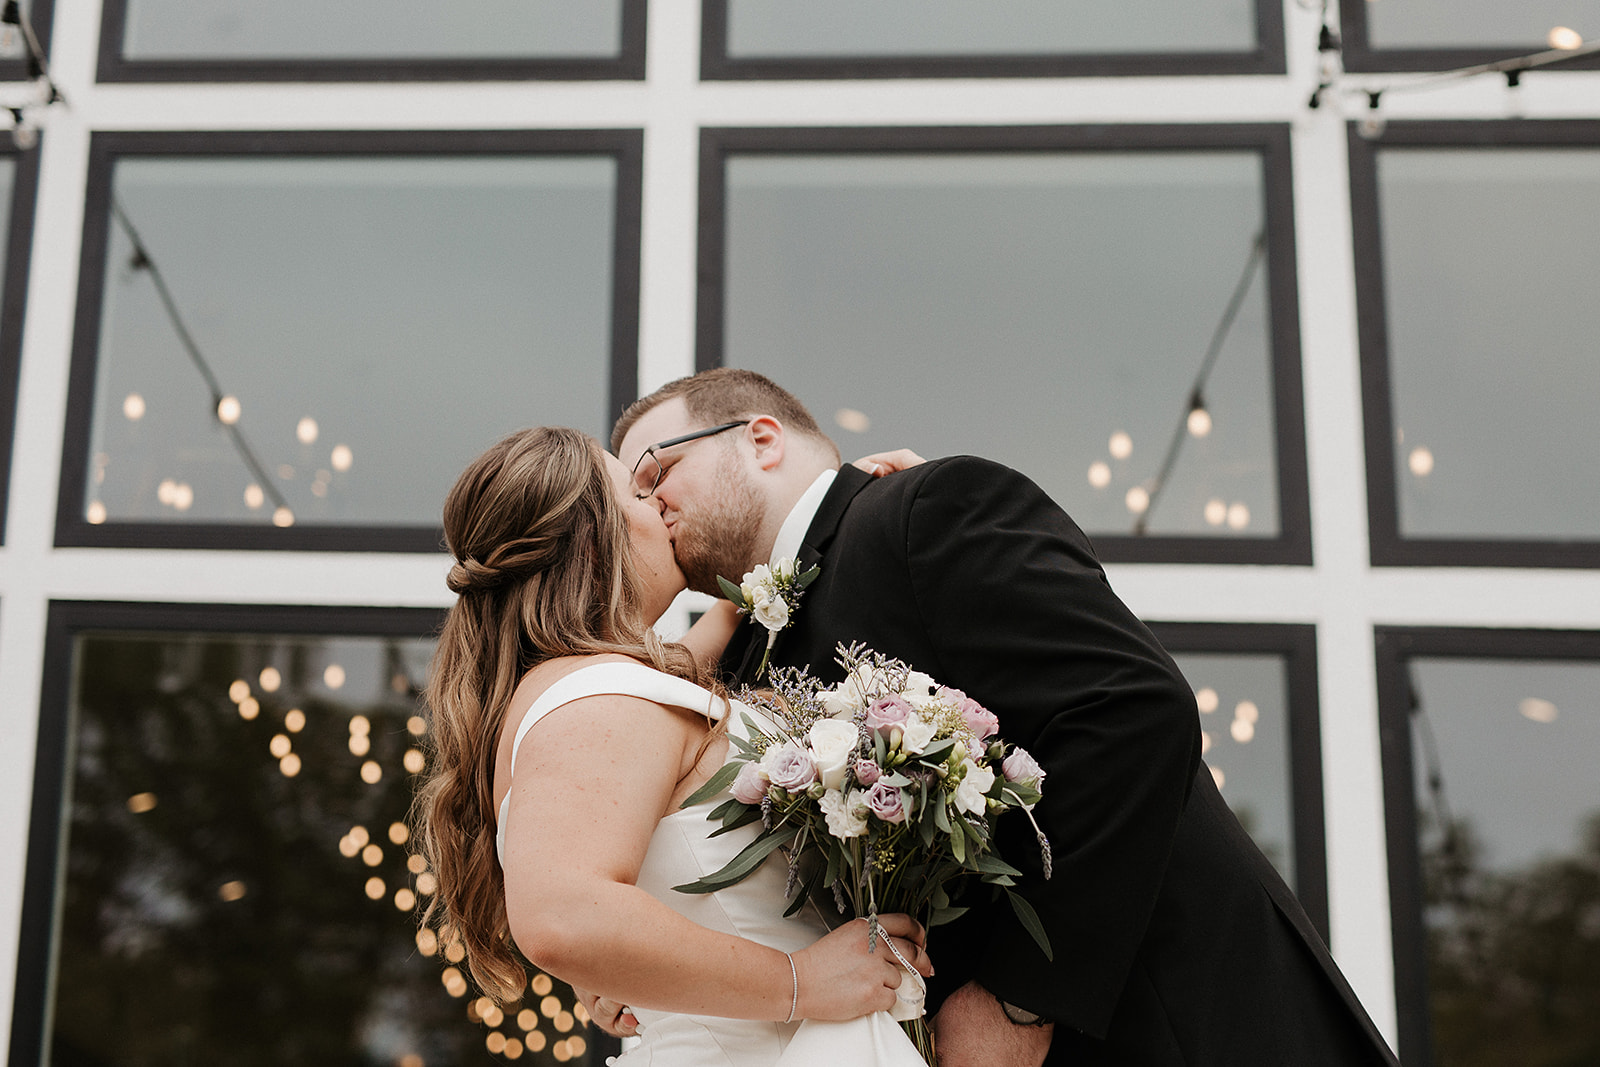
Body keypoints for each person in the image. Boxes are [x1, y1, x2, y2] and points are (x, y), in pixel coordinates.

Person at [611, 369, 1402, 1067]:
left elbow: (1131, 710)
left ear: (761, 438)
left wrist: (1019, 1001)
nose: (652, 506)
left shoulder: (927, 509)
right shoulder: (745, 658)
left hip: (1176, 1026)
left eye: (658, 469)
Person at [413, 425, 935, 1066]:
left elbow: (726, 625)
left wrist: (834, 505)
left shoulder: (607, 690)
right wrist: (798, 982)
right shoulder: (595, 698)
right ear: (592, 540)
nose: (656, 503)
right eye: (634, 492)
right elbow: (564, 916)